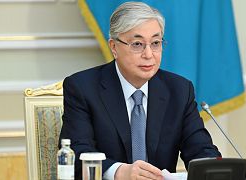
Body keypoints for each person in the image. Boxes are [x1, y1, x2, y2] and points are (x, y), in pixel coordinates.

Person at [59, 1, 221, 180]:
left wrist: (213, 168)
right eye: (137, 44)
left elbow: (200, 148)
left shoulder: (179, 90)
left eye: (156, 43)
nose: (149, 54)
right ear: (114, 47)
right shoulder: (82, 88)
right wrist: (119, 171)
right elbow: (78, 153)